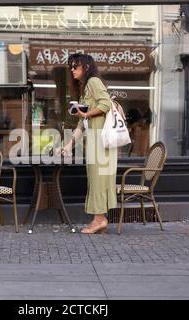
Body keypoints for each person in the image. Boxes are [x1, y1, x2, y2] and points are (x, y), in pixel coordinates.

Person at [59, 53, 118, 234]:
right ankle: (98, 218)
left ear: (85, 67)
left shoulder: (93, 82)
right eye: (71, 66)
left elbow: (106, 104)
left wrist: (85, 114)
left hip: (101, 141)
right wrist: (70, 144)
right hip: (95, 141)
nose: (72, 69)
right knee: (95, 180)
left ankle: (99, 220)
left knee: (98, 181)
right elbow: (82, 124)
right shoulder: (86, 87)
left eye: (75, 66)